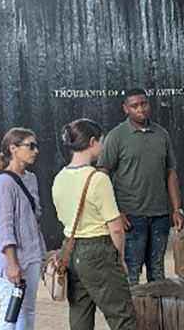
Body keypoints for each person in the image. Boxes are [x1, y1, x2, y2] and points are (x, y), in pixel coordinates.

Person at [53, 119, 137, 330]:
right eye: (102, 141)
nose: (103, 146)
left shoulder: (59, 178)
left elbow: (63, 218)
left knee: (80, 314)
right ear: (92, 142)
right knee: (122, 315)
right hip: (98, 249)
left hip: (70, 249)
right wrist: (119, 257)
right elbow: (115, 227)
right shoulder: (98, 179)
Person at [98, 88, 183, 285]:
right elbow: (102, 173)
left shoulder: (161, 134)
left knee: (158, 271)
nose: (141, 109)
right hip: (131, 217)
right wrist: (115, 211)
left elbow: (171, 172)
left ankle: (157, 314)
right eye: (135, 106)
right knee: (131, 272)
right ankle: (133, 315)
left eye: (144, 104)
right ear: (125, 109)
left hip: (160, 215)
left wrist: (177, 209)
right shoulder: (117, 136)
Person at [0, 128, 47, 330]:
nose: (35, 150)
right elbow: (5, 226)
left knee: (27, 309)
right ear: (13, 149)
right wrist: (12, 263)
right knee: (10, 309)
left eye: (36, 145)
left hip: (30, 254)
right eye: (30, 146)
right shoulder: (3, 183)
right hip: (11, 258)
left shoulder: (31, 179)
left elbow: (34, 217)